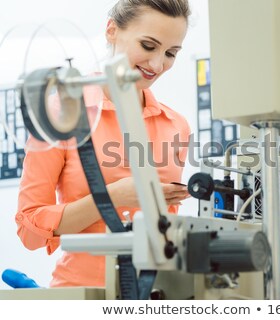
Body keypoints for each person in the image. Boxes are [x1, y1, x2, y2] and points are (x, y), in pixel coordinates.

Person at [15, 0, 192, 287]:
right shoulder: (63, 113)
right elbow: (29, 231)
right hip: (83, 295)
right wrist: (112, 198)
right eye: (148, 46)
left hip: (158, 293)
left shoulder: (176, 126)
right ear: (112, 31)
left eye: (171, 53)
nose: (158, 65)